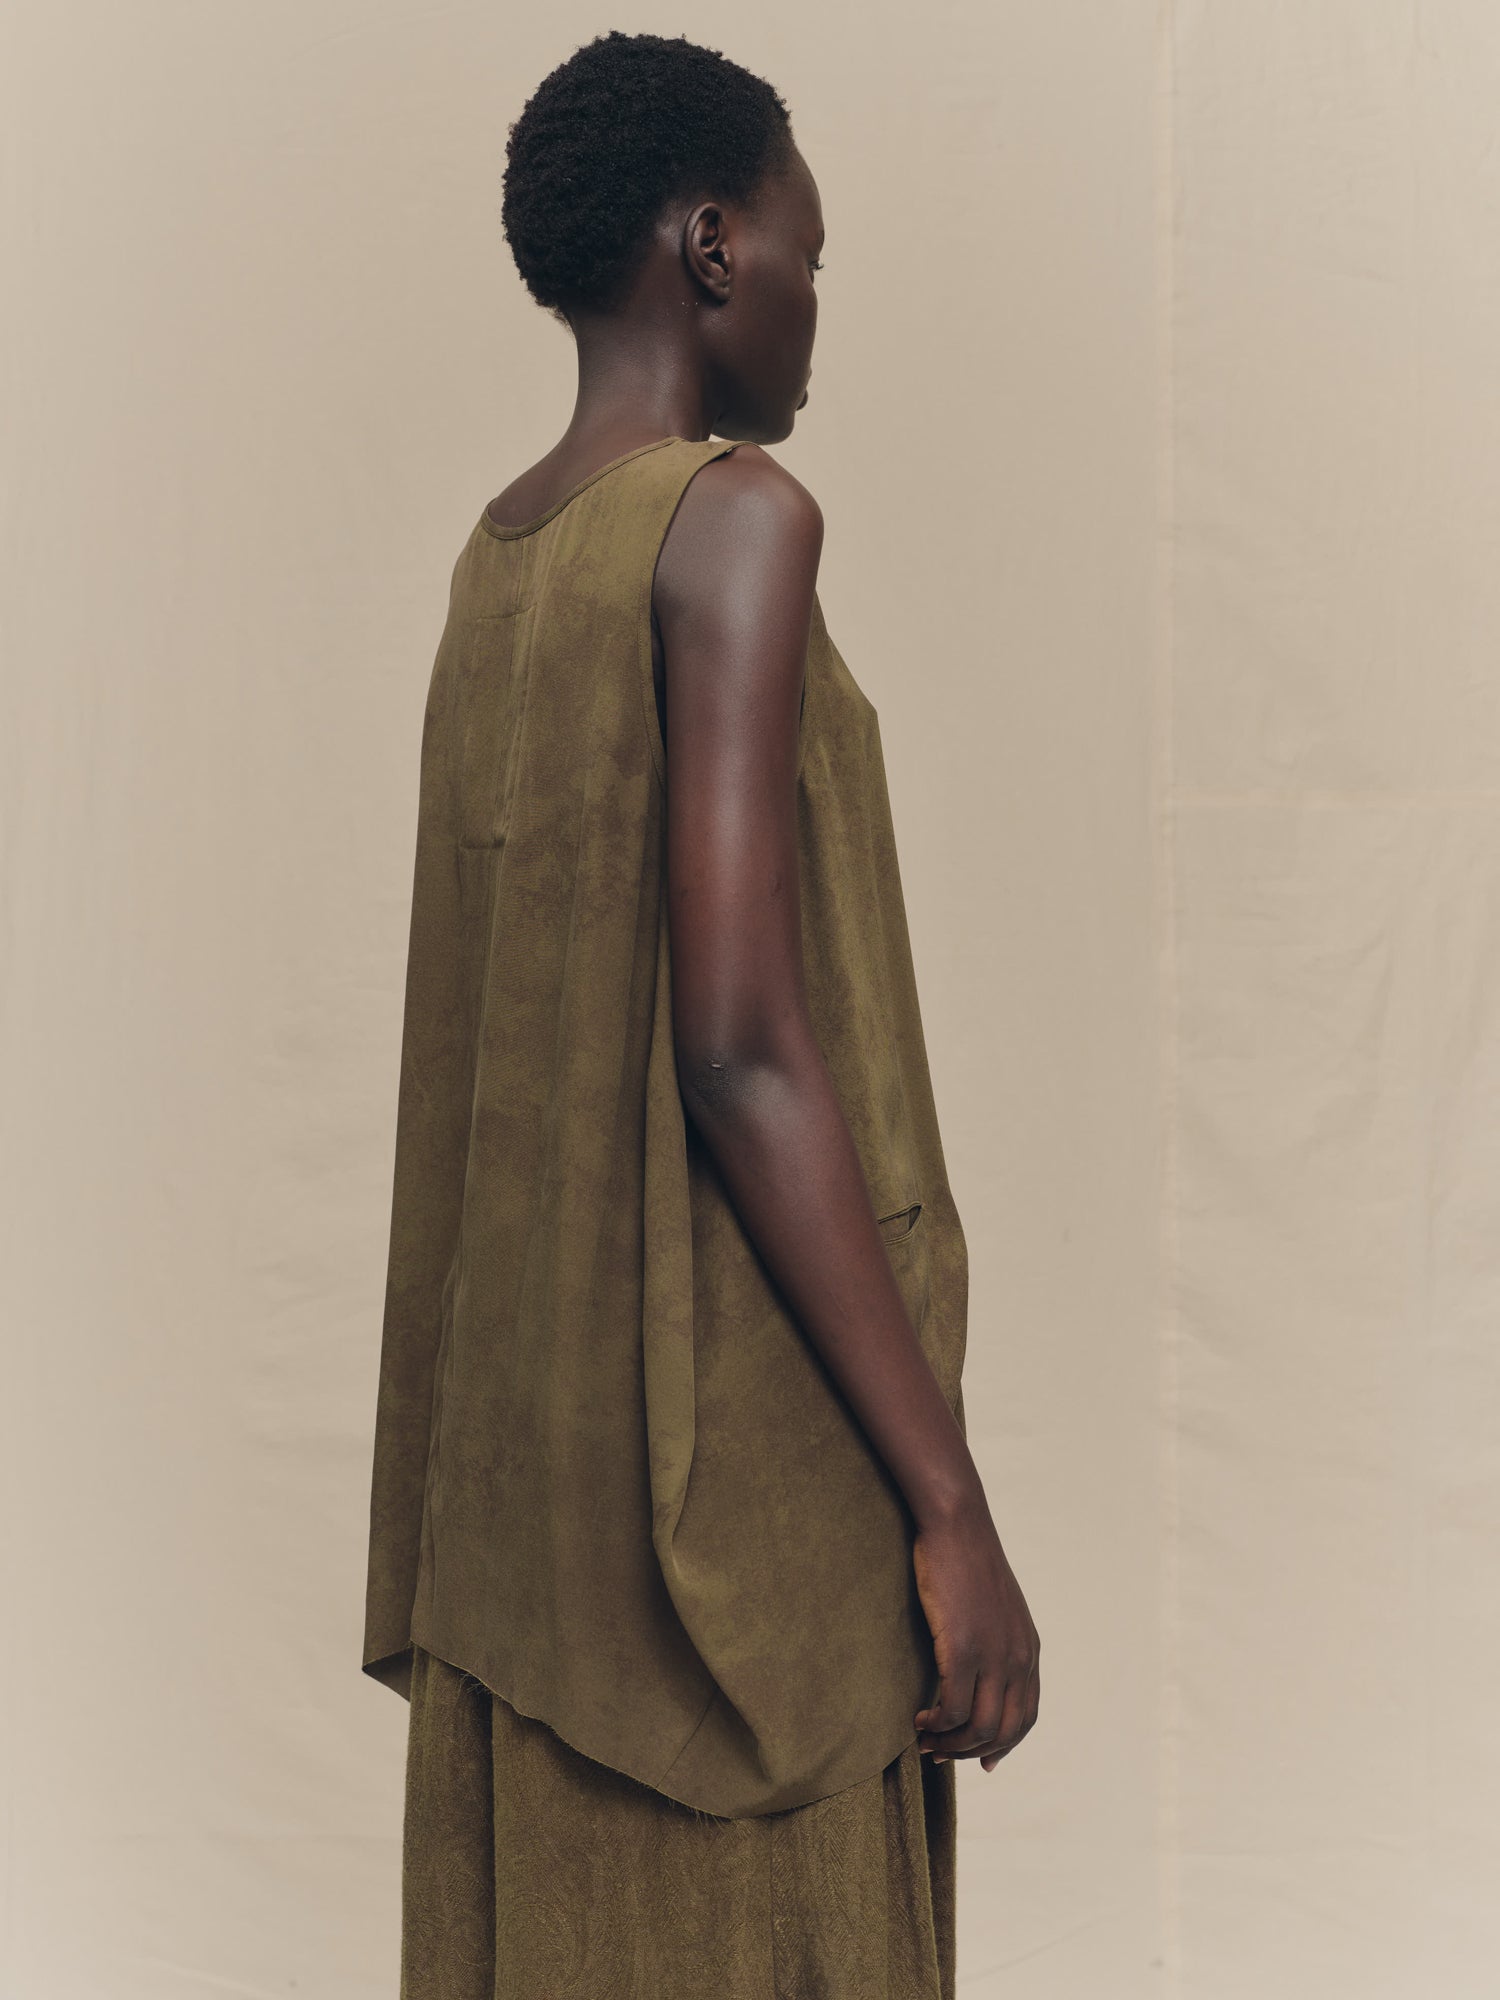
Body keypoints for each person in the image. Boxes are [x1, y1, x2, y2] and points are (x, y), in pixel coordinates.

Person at [362, 29, 1039, 1997]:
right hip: (726, 1501)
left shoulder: (500, 558)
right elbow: (738, 1048)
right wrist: (951, 1507)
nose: (819, 299)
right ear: (716, 244)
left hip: (526, 1507)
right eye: (811, 250)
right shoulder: (736, 520)